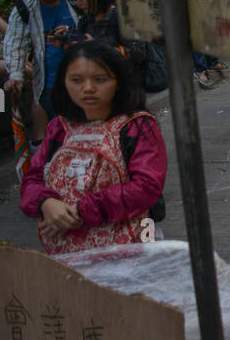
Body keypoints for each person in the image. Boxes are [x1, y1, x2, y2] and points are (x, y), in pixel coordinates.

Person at [19, 41, 166, 255]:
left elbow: (146, 187)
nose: (88, 88)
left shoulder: (137, 126)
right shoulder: (58, 128)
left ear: (119, 82)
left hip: (129, 249)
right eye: (76, 80)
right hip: (67, 252)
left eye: (100, 79)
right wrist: (46, 203)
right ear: (64, 82)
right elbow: (31, 180)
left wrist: (78, 213)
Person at [3, 0, 80, 143]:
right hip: (50, 81)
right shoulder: (24, 9)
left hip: (83, 74)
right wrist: (15, 75)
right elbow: (14, 44)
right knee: (61, 135)